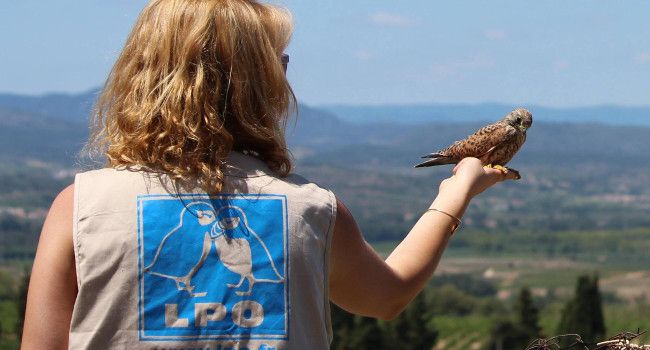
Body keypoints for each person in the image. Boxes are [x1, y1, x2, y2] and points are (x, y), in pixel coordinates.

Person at [20, 0, 517, 349]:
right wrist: (456, 192)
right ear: (261, 86)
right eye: (280, 62)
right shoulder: (310, 211)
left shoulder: (80, 206)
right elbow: (385, 296)